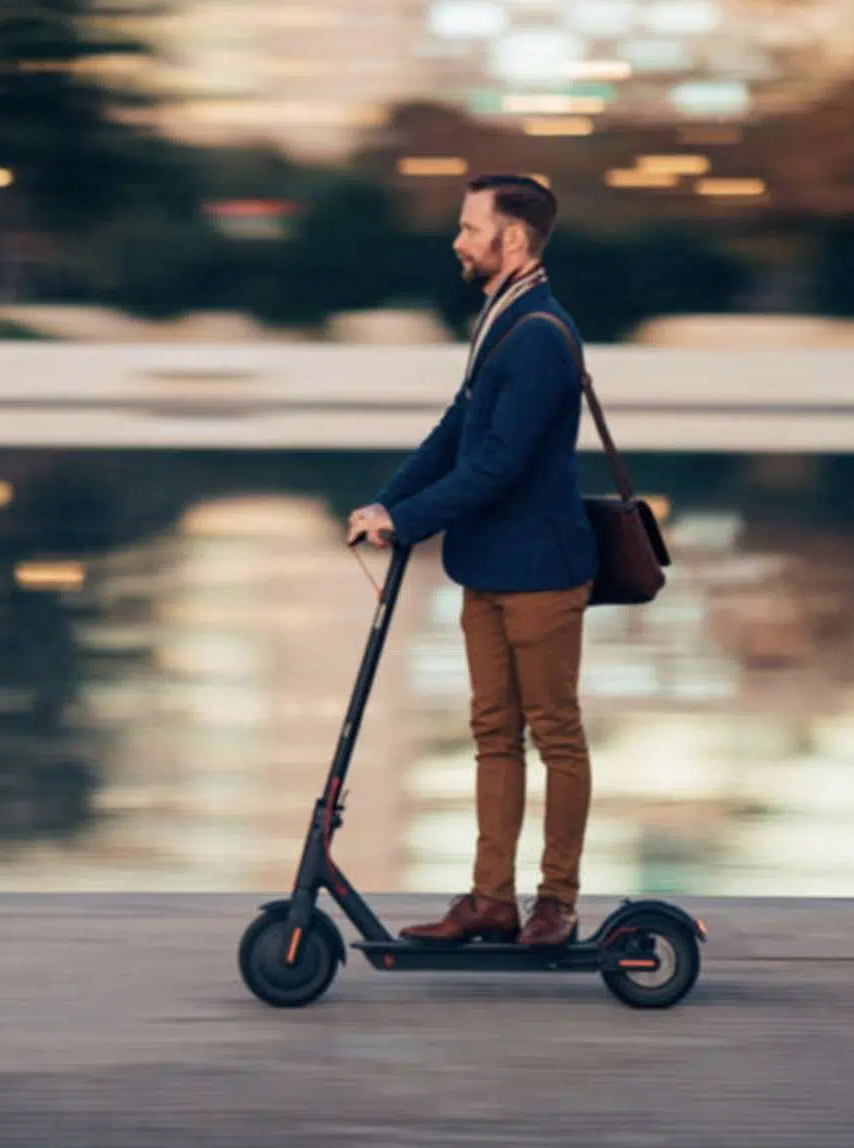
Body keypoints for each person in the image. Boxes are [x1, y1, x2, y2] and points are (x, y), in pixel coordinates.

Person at [347, 173, 597, 949]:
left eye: (469, 226)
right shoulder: (502, 318)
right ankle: (492, 900)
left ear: (511, 239)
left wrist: (410, 522)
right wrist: (385, 505)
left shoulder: (540, 336)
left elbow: (497, 464)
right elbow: (454, 433)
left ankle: (555, 901)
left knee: (554, 733)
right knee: (493, 732)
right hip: (487, 564)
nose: (457, 240)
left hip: (543, 572)